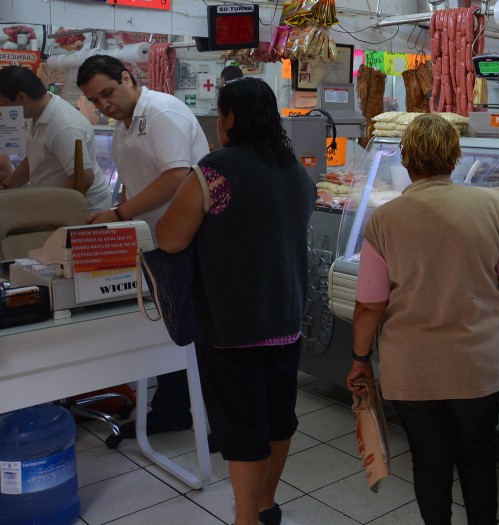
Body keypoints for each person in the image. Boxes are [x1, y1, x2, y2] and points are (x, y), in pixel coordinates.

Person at [346, 113, 499, 525]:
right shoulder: (493, 207)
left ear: (406, 160)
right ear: (455, 157)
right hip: (480, 364)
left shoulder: (384, 220)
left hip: (413, 368)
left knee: (430, 461)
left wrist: (360, 359)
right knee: (479, 455)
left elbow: (369, 306)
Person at [155, 77, 315, 525]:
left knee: (243, 426)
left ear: (228, 119)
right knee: (279, 417)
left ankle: (246, 518)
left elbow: (168, 239)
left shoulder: (213, 171)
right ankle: (267, 504)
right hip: (286, 318)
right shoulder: (296, 171)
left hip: (231, 324)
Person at [77, 55, 208, 438]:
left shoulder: (162, 113)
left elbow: (176, 177)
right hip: (158, 238)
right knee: (170, 324)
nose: (104, 105)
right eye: (96, 101)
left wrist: (119, 214)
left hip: (189, 235)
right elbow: (138, 182)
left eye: (108, 93)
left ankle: (186, 410)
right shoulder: (123, 127)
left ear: (127, 78)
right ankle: (171, 408)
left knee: (187, 326)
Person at [0, 66, 112, 212]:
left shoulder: (64, 126)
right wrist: (5, 186)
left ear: (22, 97)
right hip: (53, 204)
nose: (7, 109)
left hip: (84, 212)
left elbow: (84, 178)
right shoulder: (34, 113)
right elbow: (34, 160)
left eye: (7, 103)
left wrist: (49, 211)